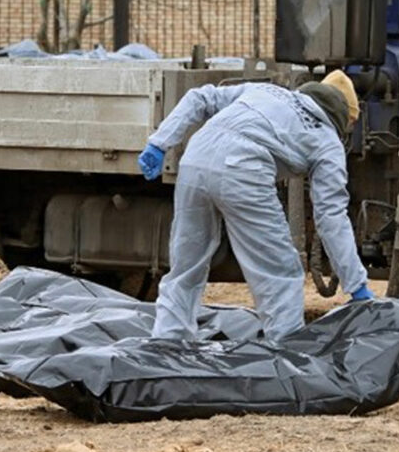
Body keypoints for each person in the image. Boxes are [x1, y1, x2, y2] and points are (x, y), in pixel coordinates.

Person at [138, 71, 372, 343]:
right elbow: (331, 216)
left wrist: (159, 142)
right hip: (244, 171)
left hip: (195, 160)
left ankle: (168, 342)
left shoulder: (266, 91)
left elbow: (199, 97)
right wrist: (357, 285)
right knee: (280, 271)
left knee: (186, 264)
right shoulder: (326, 139)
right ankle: (284, 353)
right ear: (343, 114)